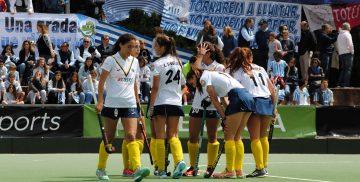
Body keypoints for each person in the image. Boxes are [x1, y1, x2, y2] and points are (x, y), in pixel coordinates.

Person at [95, 33, 150, 181]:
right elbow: (101, 82)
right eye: (129, 46)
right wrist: (100, 101)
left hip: (130, 104)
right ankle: (101, 169)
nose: (132, 49)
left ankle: (136, 168)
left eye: (134, 46)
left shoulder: (135, 62)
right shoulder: (110, 60)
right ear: (121, 45)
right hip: (112, 104)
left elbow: (135, 84)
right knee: (109, 138)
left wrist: (138, 104)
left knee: (131, 136)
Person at [189, 67, 254, 178]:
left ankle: (229, 171)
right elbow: (223, 99)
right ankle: (238, 170)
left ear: (195, 75)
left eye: (192, 81)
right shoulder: (215, 74)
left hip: (237, 97)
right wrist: (228, 115)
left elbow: (214, 99)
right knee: (237, 137)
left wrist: (224, 118)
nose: (193, 85)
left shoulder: (204, 77)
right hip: (247, 97)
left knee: (229, 137)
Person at [226, 47, 276, 178]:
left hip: (253, 101)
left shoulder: (237, 71)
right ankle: (264, 166)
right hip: (267, 101)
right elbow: (272, 90)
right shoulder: (261, 68)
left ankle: (260, 168)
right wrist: (275, 108)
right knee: (263, 136)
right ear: (251, 57)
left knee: (255, 137)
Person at [183, 42, 225, 177]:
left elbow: (215, 83)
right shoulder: (198, 63)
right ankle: (193, 167)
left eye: (200, 50)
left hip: (213, 105)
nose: (198, 52)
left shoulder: (219, 66)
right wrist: (200, 56)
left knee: (212, 137)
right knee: (193, 137)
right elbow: (195, 69)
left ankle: (210, 167)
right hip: (197, 105)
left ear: (208, 52)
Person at [149, 34, 187, 178]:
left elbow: (155, 88)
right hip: (175, 102)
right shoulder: (178, 61)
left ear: (163, 47)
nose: (154, 48)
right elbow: (182, 83)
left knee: (160, 136)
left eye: (156, 46)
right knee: (173, 135)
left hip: (161, 102)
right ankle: (179, 161)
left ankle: (162, 169)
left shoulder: (157, 64)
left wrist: (151, 108)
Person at [336, 22, 354, 87]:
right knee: (348, 69)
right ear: (347, 28)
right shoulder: (347, 34)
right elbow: (350, 44)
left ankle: (340, 84)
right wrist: (352, 52)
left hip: (341, 54)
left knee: (343, 69)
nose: (350, 28)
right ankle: (346, 84)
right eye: (349, 27)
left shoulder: (339, 34)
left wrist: (340, 52)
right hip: (348, 53)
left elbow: (337, 44)